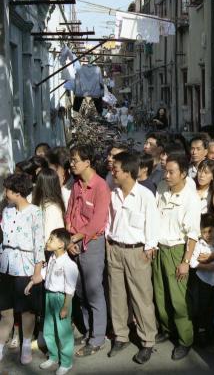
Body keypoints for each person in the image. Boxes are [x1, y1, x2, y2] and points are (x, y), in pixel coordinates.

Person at [106, 152, 158, 364]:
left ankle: (147, 341)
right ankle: (121, 336)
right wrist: (108, 240)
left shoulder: (145, 195)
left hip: (138, 251)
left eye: (116, 169)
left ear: (128, 172)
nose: (113, 171)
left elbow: (153, 224)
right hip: (115, 248)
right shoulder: (113, 194)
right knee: (116, 295)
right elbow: (109, 219)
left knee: (141, 297)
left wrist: (149, 247)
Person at [153, 155, 202, 360]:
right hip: (159, 249)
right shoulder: (161, 189)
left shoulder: (191, 198)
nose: (167, 175)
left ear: (183, 173)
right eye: (166, 171)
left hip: (177, 250)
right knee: (160, 294)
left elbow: (193, 234)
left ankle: (185, 340)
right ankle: (167, 329)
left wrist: (185, 261)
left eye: (172, 172)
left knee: (178, 300)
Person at [65, 145, 110, 356]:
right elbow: (69, 212)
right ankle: (89, 329)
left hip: (91, 244)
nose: (71, 164)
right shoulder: (76, 185)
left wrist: (77, 236)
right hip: (74, 243)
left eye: (75, 160)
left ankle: (98, 337)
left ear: (87, 162)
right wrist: (69, 238)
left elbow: (97, 221)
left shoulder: (100, 187)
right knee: (81, 292)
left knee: (94, 291)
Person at [0, 173, 44, 365]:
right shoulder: (7, 210)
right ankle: (0, 345)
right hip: (5, 265)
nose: (5, 193)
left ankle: (26, 344)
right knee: (5, 310)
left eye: (7, 190)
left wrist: (37, 272)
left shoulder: (35, 212)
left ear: (18, 192)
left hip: (25, 266)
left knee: (27, 311)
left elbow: (39, 244)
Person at [25, 229, 79, 375]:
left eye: (51, 239)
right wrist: (31, 282)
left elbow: (70, 288)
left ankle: (66, 362)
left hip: (61, 299)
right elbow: (44, 273)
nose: (48, 241)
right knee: (49, 329)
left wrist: (66, 307)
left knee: (63, 332)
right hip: (49, 296)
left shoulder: (68, 264)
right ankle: (54, 356)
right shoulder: (52, 259)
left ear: (61, 244)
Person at [190, 213, 214, 343]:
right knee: (201, 306)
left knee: (213, 306)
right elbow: (192, 263)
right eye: (204, 232)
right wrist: (207, 267)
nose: (207, 234)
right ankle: (200, 331)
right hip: (203, 280)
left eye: (210, 231)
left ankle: (211, 331)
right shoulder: (199, 243)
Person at [32, 167, 65, 243]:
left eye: (38, 181)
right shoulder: (40, 202)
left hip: (47, 250)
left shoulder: (52, 208)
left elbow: (47, 236)